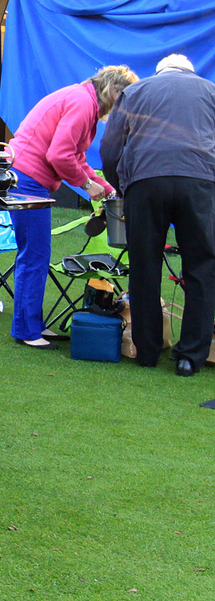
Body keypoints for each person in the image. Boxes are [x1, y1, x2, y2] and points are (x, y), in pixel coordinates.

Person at [6, 65, 137, 348]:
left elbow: (75, 156)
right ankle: (27, 332)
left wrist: (107, 188)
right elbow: (59, 155)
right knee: (35, 255)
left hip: (28, 178)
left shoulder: (84, 101)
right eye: (125, 100)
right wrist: (88, 186)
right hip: (27, 181)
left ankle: (31, 325)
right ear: (114, 91)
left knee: (35, 254)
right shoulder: (81, 103)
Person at [101, 54, 215, 375]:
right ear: (189, 72)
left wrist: (121, 185)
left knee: (144, 264)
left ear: (160, 72)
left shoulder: (135, 92)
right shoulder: (211, 91)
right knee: (201, 267)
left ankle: (147, 352)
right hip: (200, 183)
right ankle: (190, 357)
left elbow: (110, 148)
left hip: (146, 184)